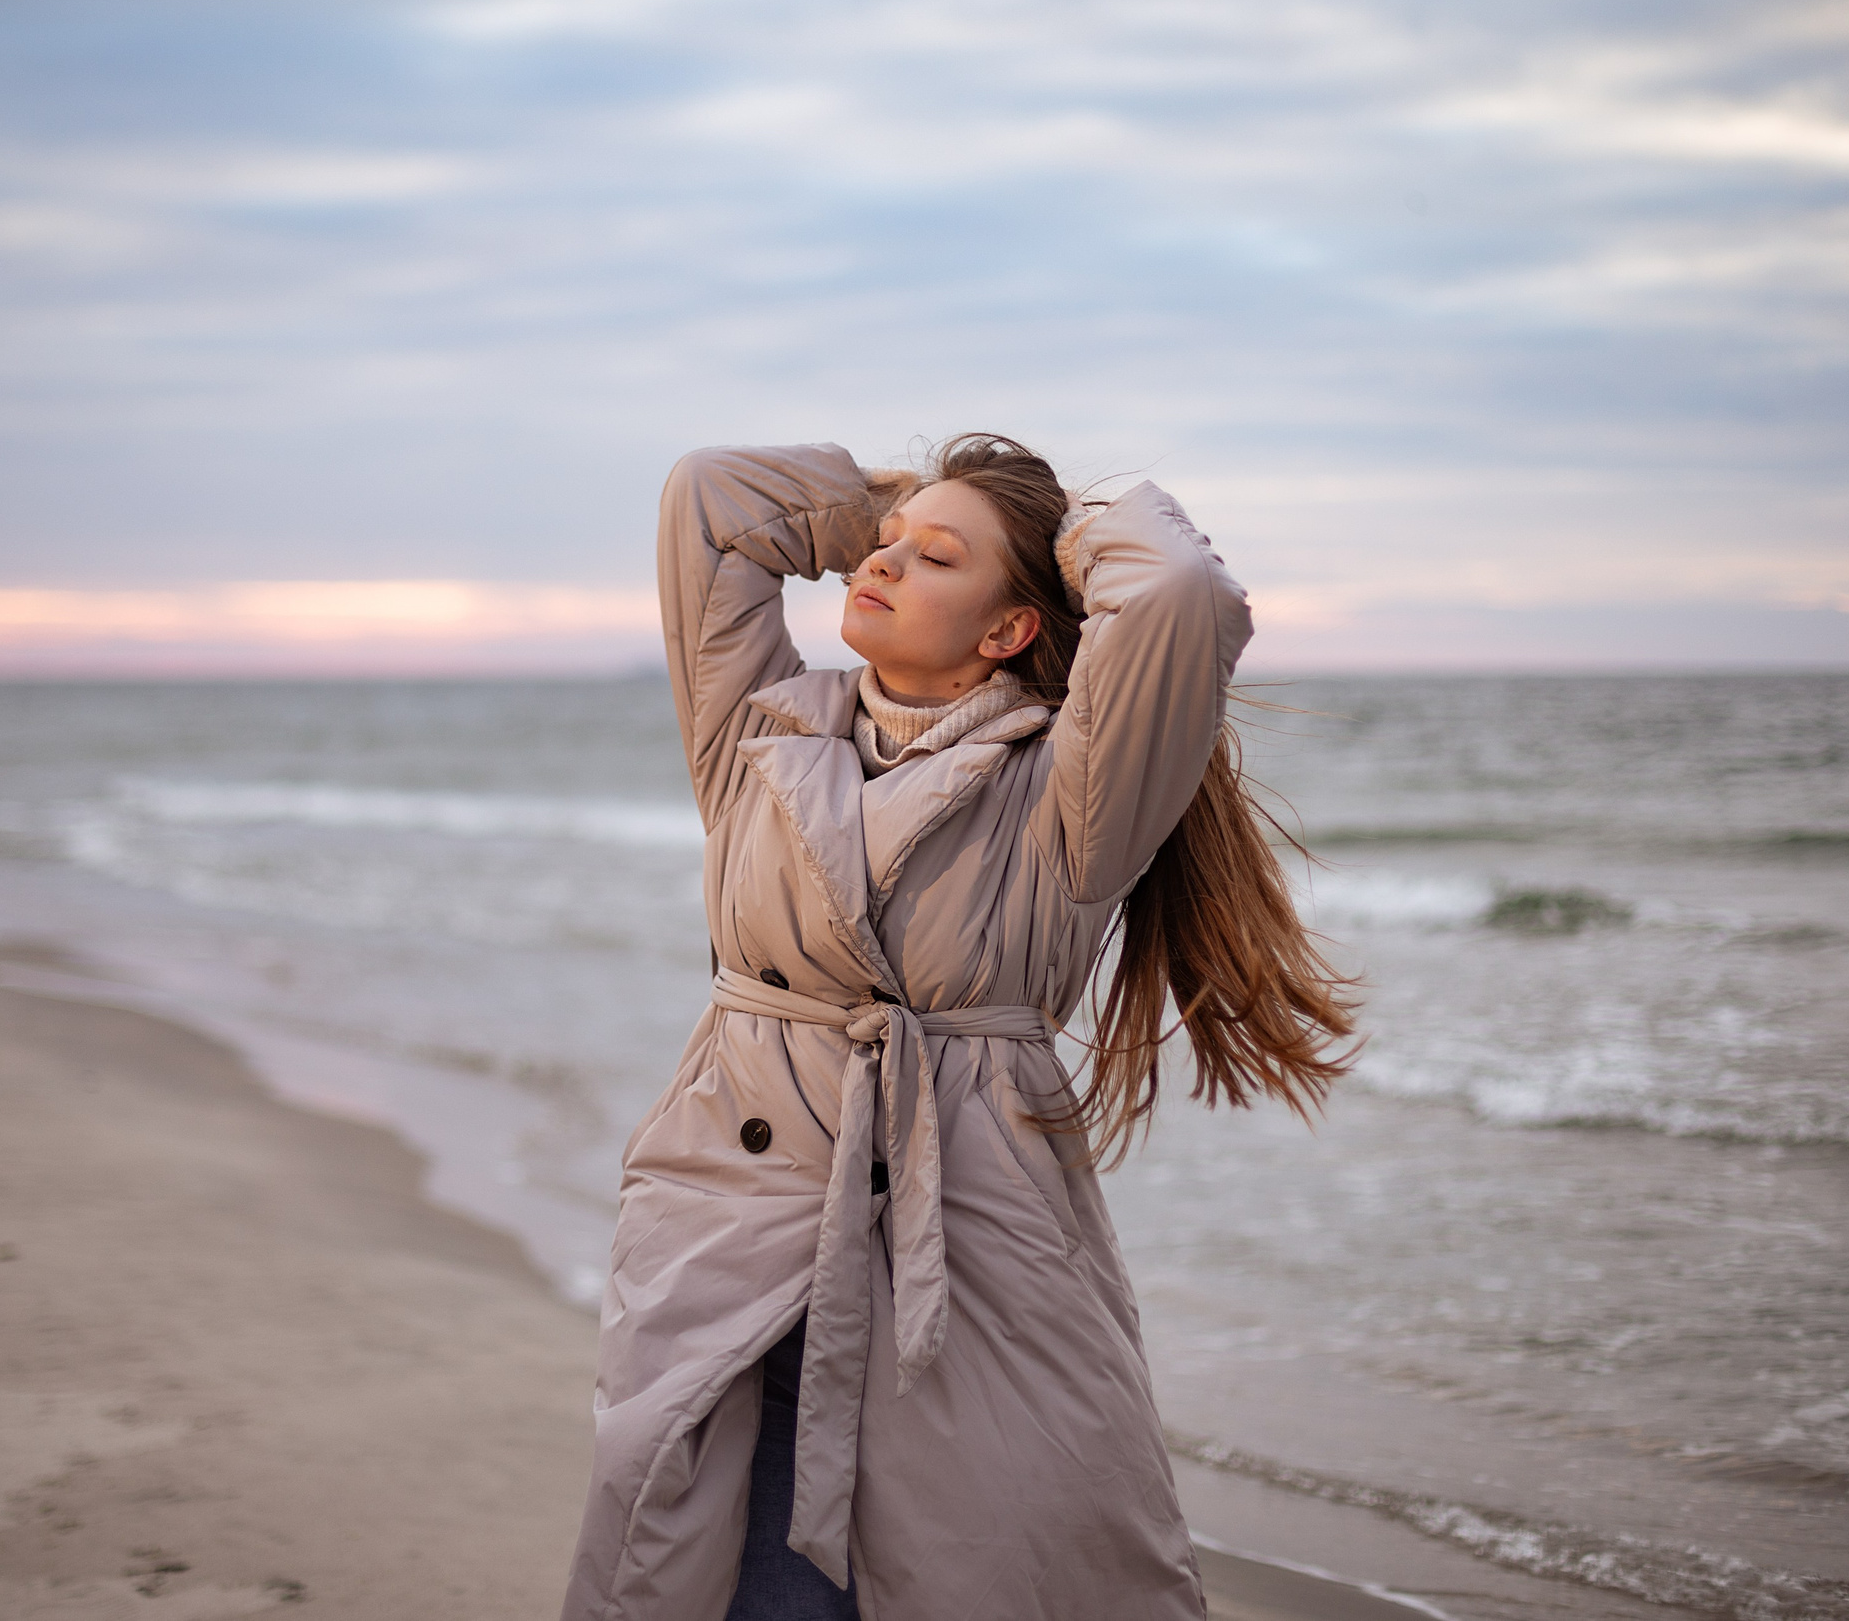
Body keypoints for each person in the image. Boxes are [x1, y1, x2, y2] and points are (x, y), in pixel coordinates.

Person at [560, 435, 1357, 1621]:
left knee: (981, 1569)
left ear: (1012, 630)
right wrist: (904, 502)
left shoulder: (1074, 793)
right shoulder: (757, 736)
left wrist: (1051, 521)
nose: (879, 565)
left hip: (965, 1245)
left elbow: (1179, 595)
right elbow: (716, 501)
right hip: (727, 1218)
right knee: (711, 1565)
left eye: (934, 560)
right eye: (879, 549)